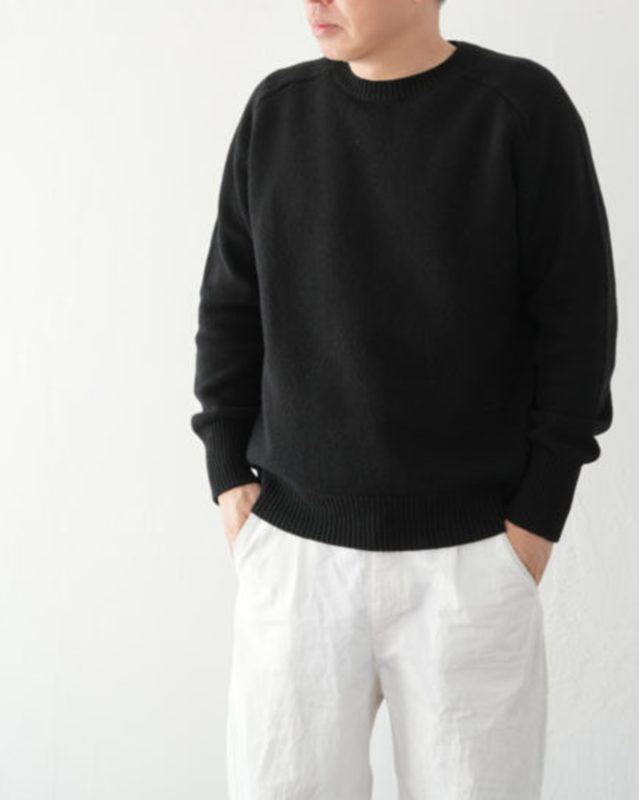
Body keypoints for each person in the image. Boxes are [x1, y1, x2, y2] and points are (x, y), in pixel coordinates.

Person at [190, 1, 617, 797]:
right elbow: (229, 308)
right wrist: (227, 478)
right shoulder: (277, 113)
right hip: (295, 560)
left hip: (469, 563)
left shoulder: (518, 110)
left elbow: (577, 324)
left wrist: (533, 523)